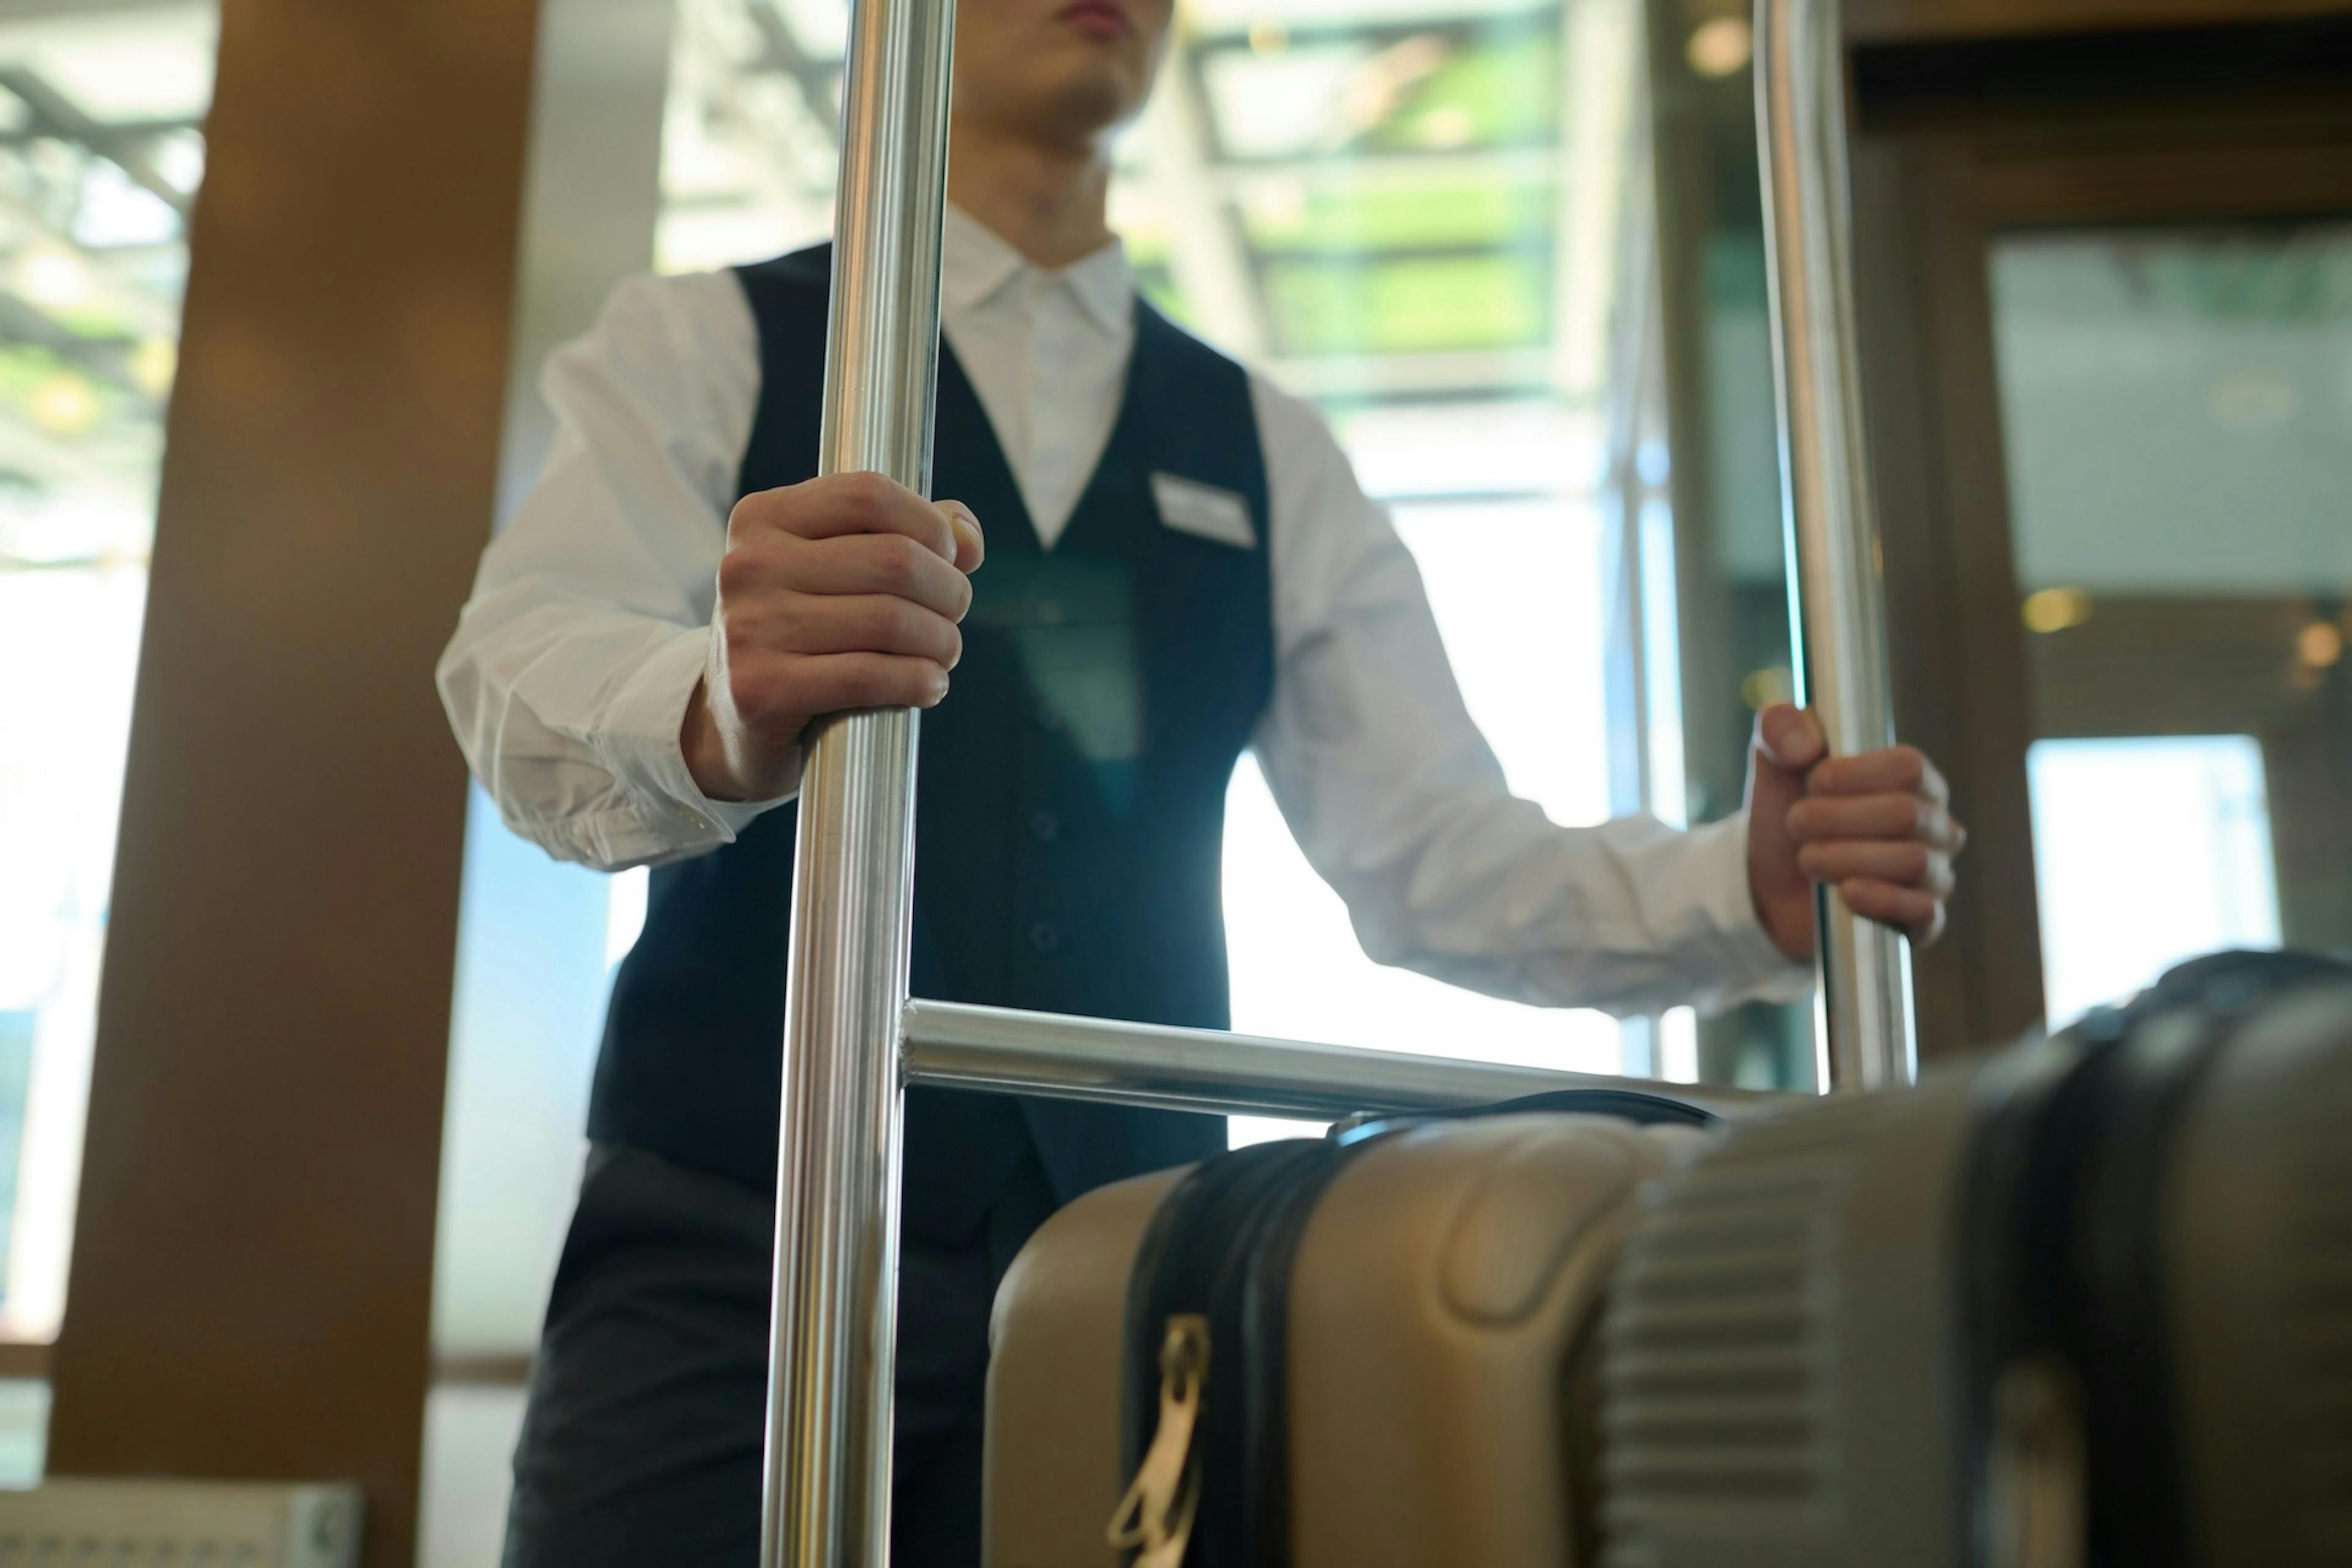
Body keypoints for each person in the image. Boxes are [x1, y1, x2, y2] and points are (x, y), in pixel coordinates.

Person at [436, 0, 1964, 1555]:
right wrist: (719, 700)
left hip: (1124, 1269)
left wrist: (1740, 890)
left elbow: (1434, 852)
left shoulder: (1266, 443)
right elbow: (511, 674)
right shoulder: (707, 343)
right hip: (729, 1252)